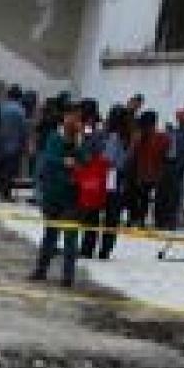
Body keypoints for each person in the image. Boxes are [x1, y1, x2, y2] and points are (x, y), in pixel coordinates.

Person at [30, 103, 86, 287]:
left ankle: (67, 277)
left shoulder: (83, 139)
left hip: (72, 195)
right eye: (72, 117)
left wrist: (79, 145)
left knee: (70, 237)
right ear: (65, 117)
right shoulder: (55, 137)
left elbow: (86, 160)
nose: (75, 121)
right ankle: (41, 269)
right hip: (54, 193)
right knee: (50, 234)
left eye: (78, 118)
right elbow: (49, 159)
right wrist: (64, 161)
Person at [79, 106, 128, 260]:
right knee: (94, 212)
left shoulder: (127, 138)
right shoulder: (99, 135)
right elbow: (86, 151)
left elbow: (128, 160)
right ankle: (89, 246)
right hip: (101, 176)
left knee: (110, 216)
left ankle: (104, 249)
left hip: (115, 177)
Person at [155, 102, 184, 230]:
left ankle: (169, 220)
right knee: (162, 192)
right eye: (179, 117)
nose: (180, 119)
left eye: (183, 116)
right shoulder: (174, 131)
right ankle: (159, 219)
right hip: (167, 164)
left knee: (174, 194)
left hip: (179, 164)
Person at [126, 110, 169, 227]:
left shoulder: (160, 138)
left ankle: (138, 218)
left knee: (143, 196)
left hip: (147, 173)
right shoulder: (149, 137)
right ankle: (136, 218)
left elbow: (164, 155)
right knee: (137, 195)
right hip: (140, 172)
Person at [0, 86, 29, 200]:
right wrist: (24, 146)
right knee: (10, 172)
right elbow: (23, 130)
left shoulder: (1, 107)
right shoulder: (20, 111)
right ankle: (5, 193)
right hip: (13, 147)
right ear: (19, 97)